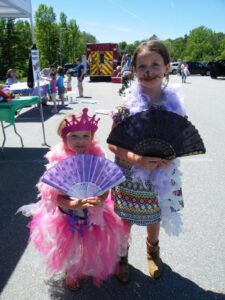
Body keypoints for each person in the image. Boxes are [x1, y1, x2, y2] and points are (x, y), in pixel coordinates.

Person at [18, 108, 130, 291]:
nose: (80, 141)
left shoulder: (97, 157)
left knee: (91, 244)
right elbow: (55, 198)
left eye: (86, 136)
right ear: (64, 139)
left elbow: (105, 185)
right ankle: (71, 271)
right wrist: (75, 203)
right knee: (70, 247)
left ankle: (86, 266)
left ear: (92, 137)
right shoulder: (58, 163)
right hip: (67, 216)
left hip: (95, 212)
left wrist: (100, 199)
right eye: (74, 136)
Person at [108, 39, 186, 283]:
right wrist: (137, 159)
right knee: (125, 220)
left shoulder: (175, 106)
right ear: (134, 71)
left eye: (155, 64)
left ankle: (153, 252)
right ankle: (122, 257)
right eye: (142, 67)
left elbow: (182, 138)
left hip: (161, 175)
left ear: (167, 67)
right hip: (130, 173)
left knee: (155, 216)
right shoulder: (126, 106)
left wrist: (172, 153)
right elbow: (112, 142)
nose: (149, 71)